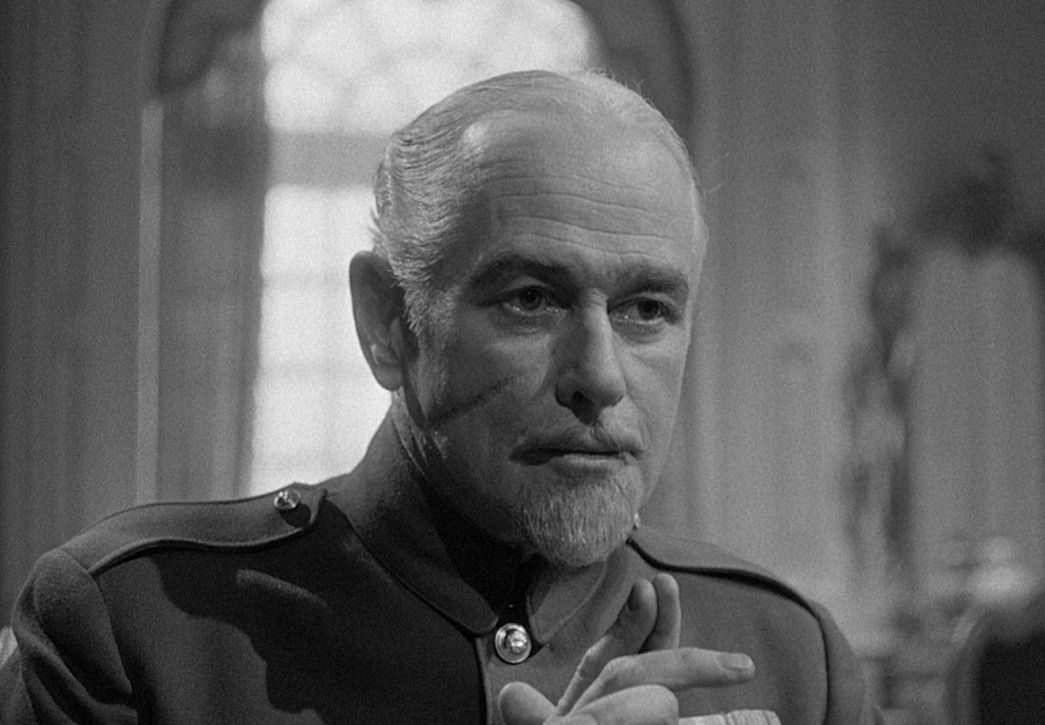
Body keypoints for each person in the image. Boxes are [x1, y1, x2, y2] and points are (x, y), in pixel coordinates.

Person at [0, 70, 880, 724]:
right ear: (389, 322)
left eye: (646, 309)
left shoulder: (792, 658)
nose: (600, 376)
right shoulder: (134, 624)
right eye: (531, 299)